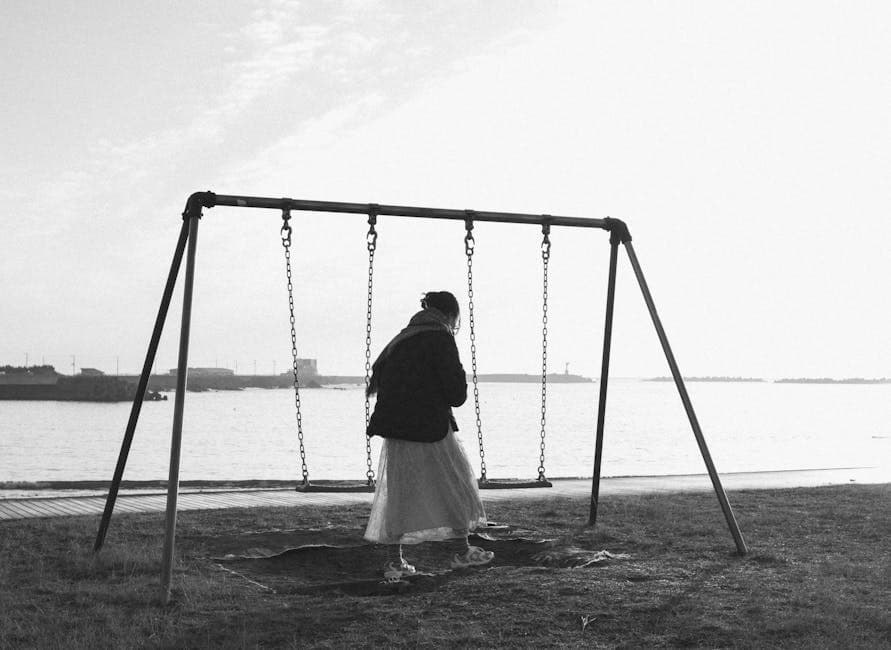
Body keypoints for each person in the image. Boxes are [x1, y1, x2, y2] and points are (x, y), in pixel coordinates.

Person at [364, 290, 494, 579]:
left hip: (396, 428)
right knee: (456, 484)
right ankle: (461, 552)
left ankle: (394, 562)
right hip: (429, 426)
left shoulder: (400, 340)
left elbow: (382, 382)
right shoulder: (440, 337)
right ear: (450, 315)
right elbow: (456, 394)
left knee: (399, 492)